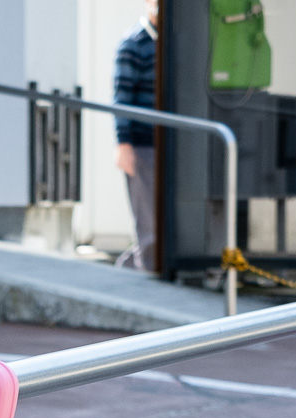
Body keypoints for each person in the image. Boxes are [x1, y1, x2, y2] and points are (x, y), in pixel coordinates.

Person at [114, 1, 159, 270]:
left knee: (159, 224)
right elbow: (121, 99)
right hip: (142, 146)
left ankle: (127, 271)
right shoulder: (133, 44)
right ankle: (145, 277)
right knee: (147, 223)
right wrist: (124, 144)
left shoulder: (175, 44)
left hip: (168, 146)